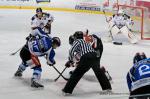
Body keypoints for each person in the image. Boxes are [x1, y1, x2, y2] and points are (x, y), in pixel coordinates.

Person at [62, 31, 112, 95]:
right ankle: (107, 88)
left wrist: (70, 61)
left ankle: (67, 91)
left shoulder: (77, 41)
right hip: (95, 56)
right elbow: (81, 54)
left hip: (87, 56)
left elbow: (71, 51)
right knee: (98, 72)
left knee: (76, 74)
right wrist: (74, 62)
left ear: (75, 37)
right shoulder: (86, 41)